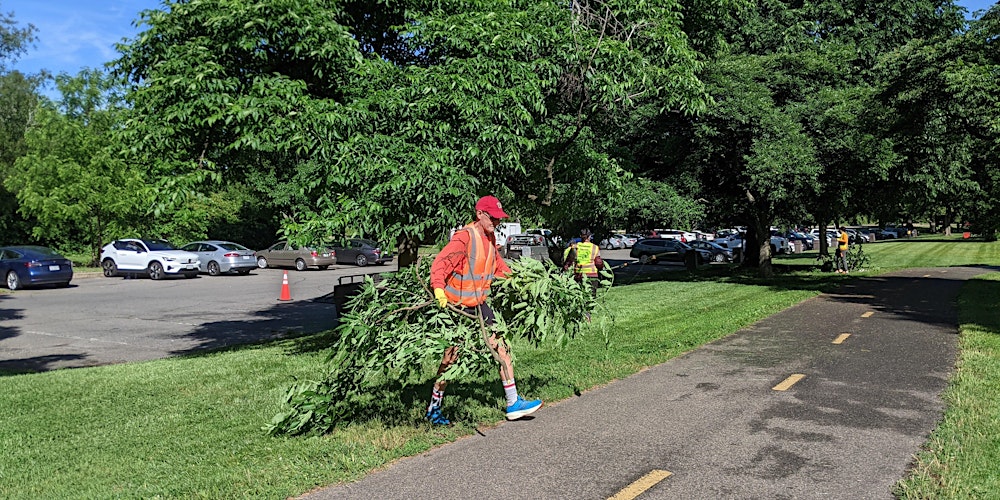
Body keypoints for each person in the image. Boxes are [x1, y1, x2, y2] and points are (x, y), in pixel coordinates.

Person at [426, 195, 543, 425]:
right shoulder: (464, 238)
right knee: (451, 359)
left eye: (499, 219)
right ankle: (433, 408)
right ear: (480, 214)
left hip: (480, 305)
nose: (496, 223)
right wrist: (439, 290)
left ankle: (513, 402)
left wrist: (519, 281)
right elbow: (440, 264)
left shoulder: (489, 240)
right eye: (493, 218)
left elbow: (499, 267)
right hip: (458, 308)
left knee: (502, 348)